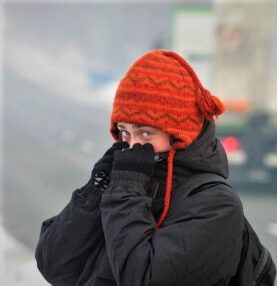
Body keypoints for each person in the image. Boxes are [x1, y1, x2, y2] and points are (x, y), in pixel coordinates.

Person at [36, 50, 245, 285]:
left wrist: (125, 192)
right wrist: (96, 190)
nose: (132, 145)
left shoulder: (215, 204)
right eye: (125, 132)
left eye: (145, 133)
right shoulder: (128, 184)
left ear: (180, 135)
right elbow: (54, 266)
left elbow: (142, 278)